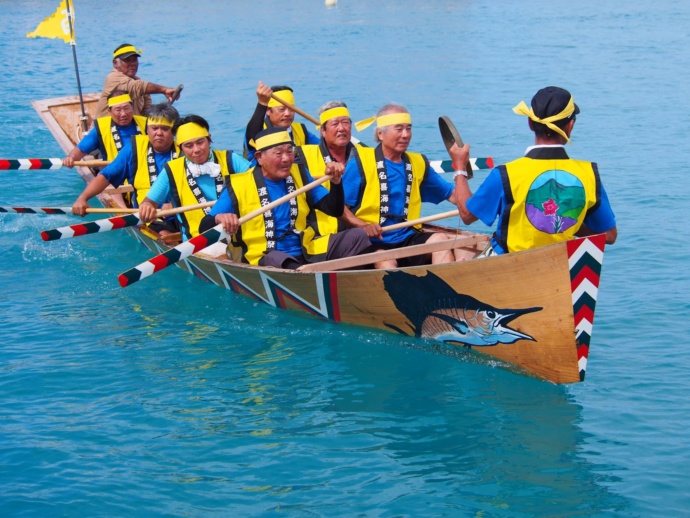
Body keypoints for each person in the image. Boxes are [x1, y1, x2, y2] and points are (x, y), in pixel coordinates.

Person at [449, 86, 617, 256]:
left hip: (508, 265)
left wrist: (460, 168)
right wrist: (565, 219)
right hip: (560, 265)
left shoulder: (505, 174)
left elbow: (467, 214)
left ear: (530, 123)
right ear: (570, 126)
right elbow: (609, 236)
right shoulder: (589, 174)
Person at [201, 127, 370, 269]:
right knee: (280, 260)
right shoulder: (238, 184)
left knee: (357, 236)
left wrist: (336, 183)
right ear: (259, 157)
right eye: (278, 153)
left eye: (290, 152)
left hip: (306, 248)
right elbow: (204, 227)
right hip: (265, 255)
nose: (287, 159)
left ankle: (350, 282)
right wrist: (218, 218)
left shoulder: (300, 174)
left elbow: (334, 209)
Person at [341, 103, 461, 269]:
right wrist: (362, 225)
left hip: (406, 237)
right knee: (385, 260)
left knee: (440, 240)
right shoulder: (360, 163)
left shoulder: (418, 163)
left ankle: (448, 289)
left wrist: (460, 171)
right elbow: (339, 207)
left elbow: (454, 196)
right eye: (399, 129)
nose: (406, 135)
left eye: (408, 129)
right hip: (370, 242)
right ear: (380, 133)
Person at [71, 103, 182, 235]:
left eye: (165, 129)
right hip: (149, 215)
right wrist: (83, 198)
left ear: (174, 131)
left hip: (183, 210)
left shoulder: (185, 150)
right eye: (154, 128)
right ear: (147, 129)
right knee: (164, 234)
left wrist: (174, 204)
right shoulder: (133, 149)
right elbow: (106, 175)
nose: (159, 133)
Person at [138, 115, 250, 241]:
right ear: (180, 148)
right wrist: (146, 207)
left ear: (209, 139)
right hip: (197, 244)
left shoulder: (231, 160)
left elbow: (259, 180)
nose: (196, 150)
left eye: (200, 142)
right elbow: (148, 202)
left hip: (239, 238)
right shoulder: (171, 170)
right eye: (189, 145)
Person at [63, 91, 147, 167]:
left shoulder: (146, 123)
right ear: (109, 112)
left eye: (126, 108)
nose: (123, 114)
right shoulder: (102, 127)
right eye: (118, 110)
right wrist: (71, 158)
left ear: (132, 107)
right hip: (115, 176)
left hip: (144, 174)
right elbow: (81, 149)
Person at [95, 43, 179, 118]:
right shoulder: (112, 78)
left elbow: (147, 112)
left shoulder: (139, 84)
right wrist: (164, 90)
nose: (133, 63)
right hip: (108, 130)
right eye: (127, 60)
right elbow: (138, 86)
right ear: (115, 63)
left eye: (134, 60)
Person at [243, 82, 319, 161]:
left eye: (292, 109)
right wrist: (262, 103)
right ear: (268, 111)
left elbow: (322, 148)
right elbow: (252, 136)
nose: (287, 114)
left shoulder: (301, 130)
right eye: (282, 109)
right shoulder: (258, 131)